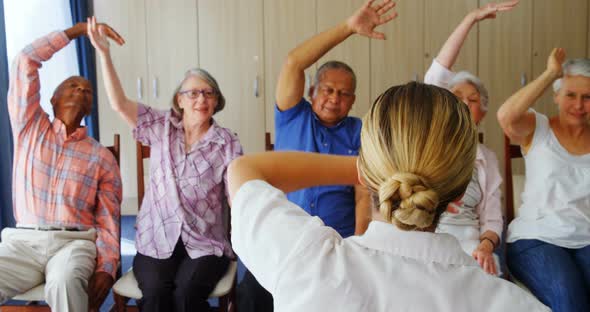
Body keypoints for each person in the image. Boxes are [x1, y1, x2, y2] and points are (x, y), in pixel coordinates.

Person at [227, 81, 549, 312]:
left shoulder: (308, 263)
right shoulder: (512, 303)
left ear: (364, 172)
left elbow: (245, 170)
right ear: (462, 192)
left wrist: (371, 168)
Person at [236, 1, 396, 310]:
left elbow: (364, 195)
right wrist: (349, 28)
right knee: (252, 297)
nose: (334, 98)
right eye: (327, 90)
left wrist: (360, 246)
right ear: (312, 92)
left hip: (335, 243)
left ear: (353, 101)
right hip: (282, 236)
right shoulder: (292, 116)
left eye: (343, 93)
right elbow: (294, 62)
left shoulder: (361, 132)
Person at [88, 17, 242, 312]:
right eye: (193, 93)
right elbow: (119, 103)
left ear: (217, 102)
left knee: (186, 295)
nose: (201, 99)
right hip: (156, 236)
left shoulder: (227, 143)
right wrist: (104, 54)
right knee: (157, 294)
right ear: (179, 100)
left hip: (205, 240)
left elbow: (236, 194)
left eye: (209, 93)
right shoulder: (159, 126)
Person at [0, 22, 123, 312]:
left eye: (87, 90)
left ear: (90, 108)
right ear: (52, 99)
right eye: (72, 86)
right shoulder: (29, 127)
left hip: (74, 243)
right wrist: (79, 30)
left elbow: (109, 220)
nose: (81, 90)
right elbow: (25, 60)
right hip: (23, 242)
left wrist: (107, 266)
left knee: (65, 283)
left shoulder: (101, 157)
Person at [423, 0, 519, 276]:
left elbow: (491, 217)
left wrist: (487, 246)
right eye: (457, 97)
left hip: (472, 245)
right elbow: (436, 76)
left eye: (473, 100)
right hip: (429, 241)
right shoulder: (429, 141)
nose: (465, 104)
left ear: (483, 112)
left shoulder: (485, 158)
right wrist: (471, 19)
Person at [497, 47, 590, 312]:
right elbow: (506, 116)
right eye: (571, 95)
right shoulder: (538, 128)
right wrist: (551, 73)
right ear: (556, 96)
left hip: (585, 239)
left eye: (587, 97)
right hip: (536, 238)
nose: (579, 105)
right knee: (570, 301)